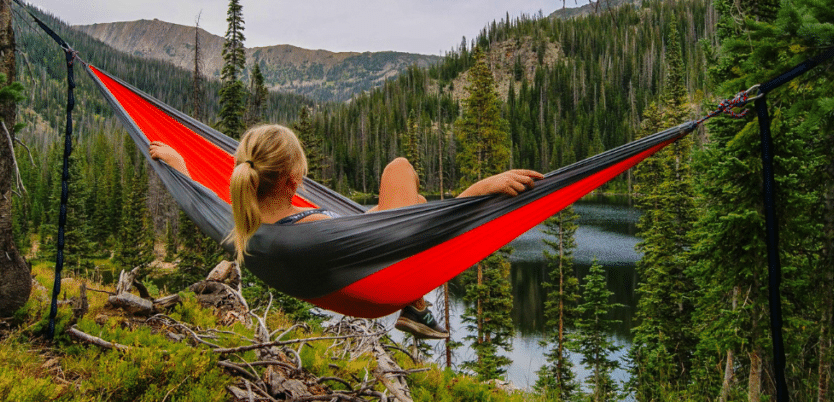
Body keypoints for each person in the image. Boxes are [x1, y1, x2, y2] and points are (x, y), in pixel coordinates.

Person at [150, 123, 543, 340]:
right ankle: (416, 305)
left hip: (347, 267)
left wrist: (180, 167)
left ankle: (418, 306)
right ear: (292, 181)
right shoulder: (312, 232)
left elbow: (203, 200)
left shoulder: (241, 223)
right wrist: (479, 192)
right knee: (399, 168)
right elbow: (419, 238)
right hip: (376, 288)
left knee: (417, 202)